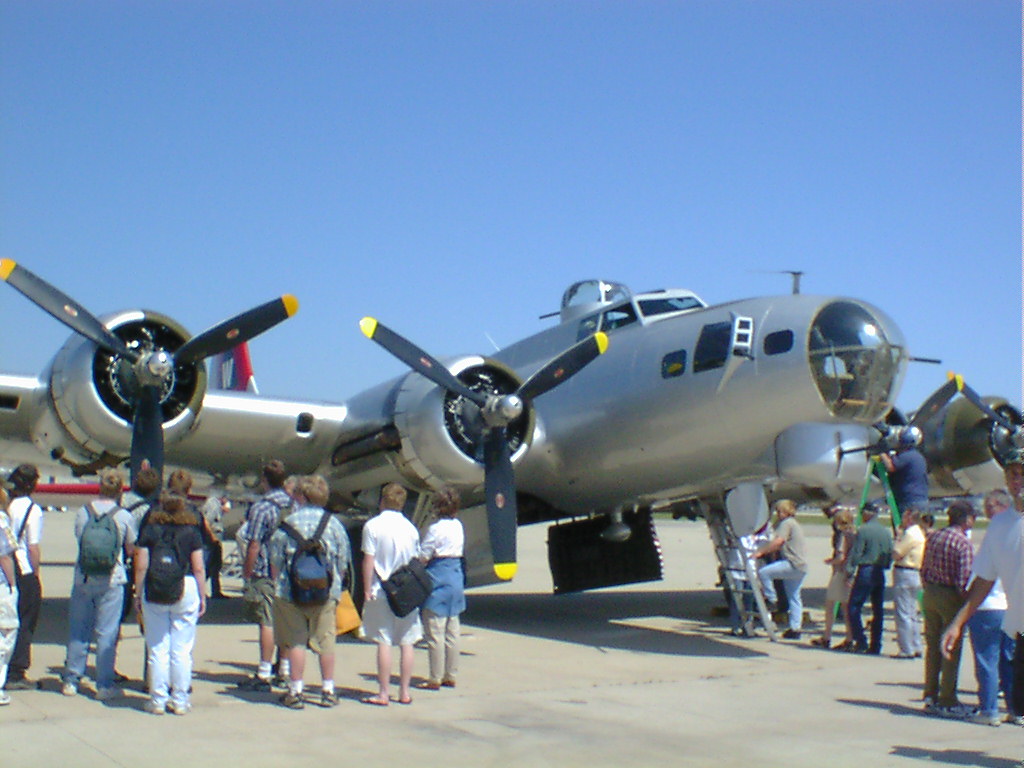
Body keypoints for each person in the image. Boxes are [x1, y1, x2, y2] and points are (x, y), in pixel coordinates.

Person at [943, 458, 1024, 728]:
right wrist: (958, 623)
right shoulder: (999, 526)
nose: (1018, 480)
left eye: (1023, 473)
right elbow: (984, 580)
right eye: (1013, 474)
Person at [268, 475, 351, 709]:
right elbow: (342, 563)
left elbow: (275, 561)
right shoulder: (334, 525)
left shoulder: (288, 524)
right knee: (326, 641)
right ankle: (328, 690)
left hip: (291, 591)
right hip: (325, 592)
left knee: (296, 642)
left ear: (302, 497)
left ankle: (296, 691)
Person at [61, 469, 136, 700]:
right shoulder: (123, 516)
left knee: (79, 630)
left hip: (83, 577)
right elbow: (131, 546)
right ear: (120, 490)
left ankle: (72, 680)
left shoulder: (84, 512)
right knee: (107, 633)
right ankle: (103, 685)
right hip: (112, 579)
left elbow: (80, 538)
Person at [134, 492, 207, 715]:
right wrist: (203, 595)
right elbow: (198, 568)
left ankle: (158, 699)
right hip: (186, 585)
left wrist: (138, 593)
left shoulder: (150, 530)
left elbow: (141, 565)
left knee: (157, 648)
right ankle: (180, 699)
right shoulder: (192, 532)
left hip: (155, 586)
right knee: (182, 649)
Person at [361, 482, 422, 705]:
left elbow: (369, 560)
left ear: (382, 501)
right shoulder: (411, 529)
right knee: (407, 642)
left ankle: (383, 693)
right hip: (406, 590)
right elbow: (416, 559)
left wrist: (366, 588)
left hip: (381, 588)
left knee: (383, 641)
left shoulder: (372, 526)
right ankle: (404, 692)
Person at [960, 489, 1016, 726]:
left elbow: (980, 576)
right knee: (1009, 661)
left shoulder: (996, 535)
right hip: (1010, 607)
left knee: (987, 661)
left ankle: (989, 710)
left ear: (1003, 507)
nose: (986, 511)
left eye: (990, 507)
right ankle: (1016, 710)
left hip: (988, 607)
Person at [921, 499, 977, 718]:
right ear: (966, 519)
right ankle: (947, 698)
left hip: (931, 592)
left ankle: (930, 693)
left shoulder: (935, 536)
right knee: (951, 647)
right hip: (950, 595)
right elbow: (963, 580)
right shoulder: (963, 543)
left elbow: (924, 568)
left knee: (933, 646)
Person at [239, 459, 291, 691]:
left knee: (267, 621)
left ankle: (264, 671)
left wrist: (247, 572)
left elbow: (254, 544)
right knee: (286, 620)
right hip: (288, 569)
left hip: (266, 570)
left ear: (265, 480)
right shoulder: (293, 504)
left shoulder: (262, 508)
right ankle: (284, 669)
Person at [417, 487, 466, 690]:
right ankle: (450, 674)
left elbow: (424, 556)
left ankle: (435, 677)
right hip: (455, 578)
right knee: (452, 631)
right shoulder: (458, 526)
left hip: (438, 579)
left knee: (435, 633)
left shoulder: (435, 529)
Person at [4, 463, 42, 690]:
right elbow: (32, 547)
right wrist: (35, 574)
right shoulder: (32, 510)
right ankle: (16, 671)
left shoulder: (7, 505)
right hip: (24, 570)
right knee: (25, 621)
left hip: (6, 568)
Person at [752, 499, 807, 639]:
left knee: (764, 572)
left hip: (791, 563)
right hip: (801, 566)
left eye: (780, 511)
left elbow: (778, 542)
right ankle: (795, 628)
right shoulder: (794, 523)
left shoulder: (786, 523)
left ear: (787, 511)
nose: (778, 513)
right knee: (794, 597)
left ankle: (771, 599)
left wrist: (761, 551)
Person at [844, 502, 894, 655]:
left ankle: (861, 640)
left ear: (866, 514)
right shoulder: (885, 531)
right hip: (879, 571)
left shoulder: (863, 530)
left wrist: (849, 571)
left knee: (853, 607)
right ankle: (876, 644)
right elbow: (889, 552)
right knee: (877, 610)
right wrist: (885, 565)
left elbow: (857, 552)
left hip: (866, 570)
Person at [811, 506, 856, 650]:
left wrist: (831, 561)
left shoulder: (843, 535)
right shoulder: (855, 533)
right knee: (846, 607)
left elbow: (841, 556)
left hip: (840, 572)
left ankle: (827, 636)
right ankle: (850, 637)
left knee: (830, 605)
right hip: (851, 573)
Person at [891, 508, 925, 659]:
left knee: (903, 613)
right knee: (911, 613)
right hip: (915, 573)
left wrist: (898, 537)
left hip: (905, 572)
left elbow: (896, 553)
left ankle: (906, 648)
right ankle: (916, 645)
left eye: (904, 517)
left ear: (910, 518)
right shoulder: (919, 533)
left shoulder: (909, 534)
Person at [879, 426, 929, 524]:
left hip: (909, 501)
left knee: (905, 528)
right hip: (921, 499)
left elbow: (891, 467)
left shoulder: (907, 456)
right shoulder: (918, 456)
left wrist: (881, 452)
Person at [0, 487, 19, 706]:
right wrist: (13, 584)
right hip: (1, 585)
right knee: (6, 633)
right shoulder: (1, 521)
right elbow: (5, 556)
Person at [201, 495, 230, 599]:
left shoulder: (217, 504)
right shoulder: (213, 505)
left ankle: (216, 591)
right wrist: (212, 537)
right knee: (208, 565)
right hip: (212, 538)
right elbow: (206, 522)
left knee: (216, 565)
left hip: (215, 537)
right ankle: (199, 589)